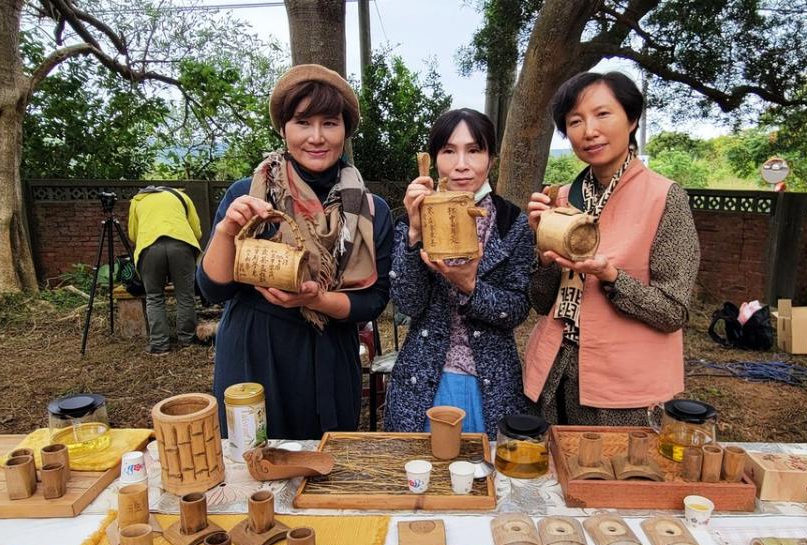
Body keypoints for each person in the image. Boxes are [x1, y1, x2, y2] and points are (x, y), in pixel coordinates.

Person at [196, 64, 392, 439]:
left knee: (324, 470)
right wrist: (226, 231)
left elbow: (373, 300)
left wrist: (318, 300)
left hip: (331, 353)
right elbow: (212, 289)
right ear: (283, 128)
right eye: (303, 122)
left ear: (346, 130)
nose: (316, 137)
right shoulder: (248, 196)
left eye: (330, 123)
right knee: (253, 466)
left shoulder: (370, 211)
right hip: (255, 352)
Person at [523, 71, 700, 426]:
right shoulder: (560, 198)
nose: (589, 131)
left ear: (632, 119)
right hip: (553, 375)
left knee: (610, 477)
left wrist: (611, 276)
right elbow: (542, 303)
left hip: (623, 391)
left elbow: (673, 312)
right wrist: (545, 259)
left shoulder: (664, 197)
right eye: (575, 121)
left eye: (603, 114)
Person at [385, 108, 534, 438]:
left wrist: (470, 286)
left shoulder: (513, 223)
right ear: (435, 158)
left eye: (474, 150)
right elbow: (408, 304)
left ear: (491, 160)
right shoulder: (416, 216)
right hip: (424, 378)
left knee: (486, 480)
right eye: (449, 151)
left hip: (492, 383)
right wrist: (413, 231)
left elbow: (518, 308)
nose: (461, 164)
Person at [128, 186, 202, 355]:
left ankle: (159, 345)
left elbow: (133, 235)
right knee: (185, 295)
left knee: (154, 297)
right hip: (181, 246)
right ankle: (187, 340)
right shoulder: (181, 196)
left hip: (150, 247)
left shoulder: (138, 201)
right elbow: (196, 230)